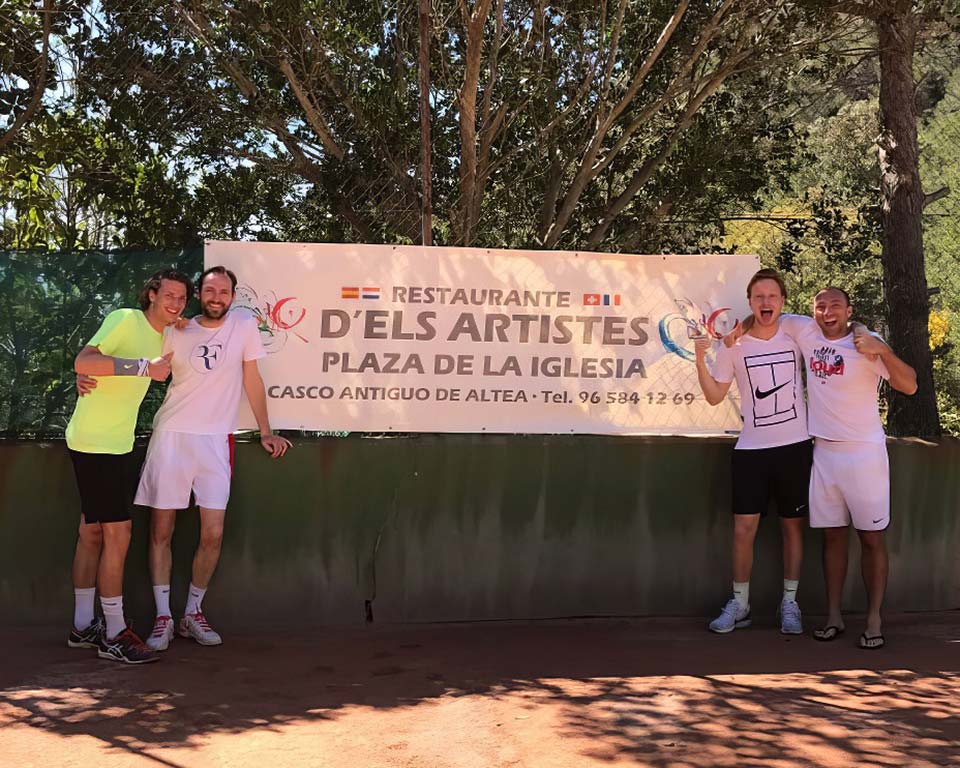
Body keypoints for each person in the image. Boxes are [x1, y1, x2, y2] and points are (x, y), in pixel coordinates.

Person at [135, 265, 291, 651]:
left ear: (232, 296)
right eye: (209, 290)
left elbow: (252, 380)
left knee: (213, 534)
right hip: (171, 437)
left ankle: (192, 613)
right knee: (161, 531)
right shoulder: (175, 330)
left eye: (223, 291)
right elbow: (141, 367)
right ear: (198, 295)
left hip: (215, 443)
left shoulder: (243, 326)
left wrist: (266, 431)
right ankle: (163, 618)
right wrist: (90, 374)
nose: (216, 297)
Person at [778, 287, 917, 649]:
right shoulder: (805, 331)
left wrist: (882, 348)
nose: (827, 312)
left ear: (849, 310)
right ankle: (834, 616)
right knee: (832, 537)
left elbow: (910, 386)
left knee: (871, 539)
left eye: (835, 305)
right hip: (824, 453)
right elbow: (766, 313)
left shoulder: (867, 343)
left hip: (865, 455)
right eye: (820, 306)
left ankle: (874, 619)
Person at [66, 269, 193, 664]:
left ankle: (83, 625)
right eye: (169, 294)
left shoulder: (170, 334)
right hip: (93, 442)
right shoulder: (125, 318)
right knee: (117, 534)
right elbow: (83, 361)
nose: (175, 302)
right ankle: (115, 634)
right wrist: (142, 367)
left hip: (117, 445)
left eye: (182, 298)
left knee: (92, 532)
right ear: (151, 294)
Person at [694, 268, 811, 635]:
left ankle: (790, 603)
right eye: (759, 297)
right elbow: (714, 397)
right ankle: (740, 604)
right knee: (744, 530)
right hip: (751, 451)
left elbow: (832, 328)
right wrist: (700, 358)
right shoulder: (733, 346)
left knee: (793, 528)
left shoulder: (796, 334)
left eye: (772, 296)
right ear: (749, 302)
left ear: (783, 302)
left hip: (795, 449)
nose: (766, 302)